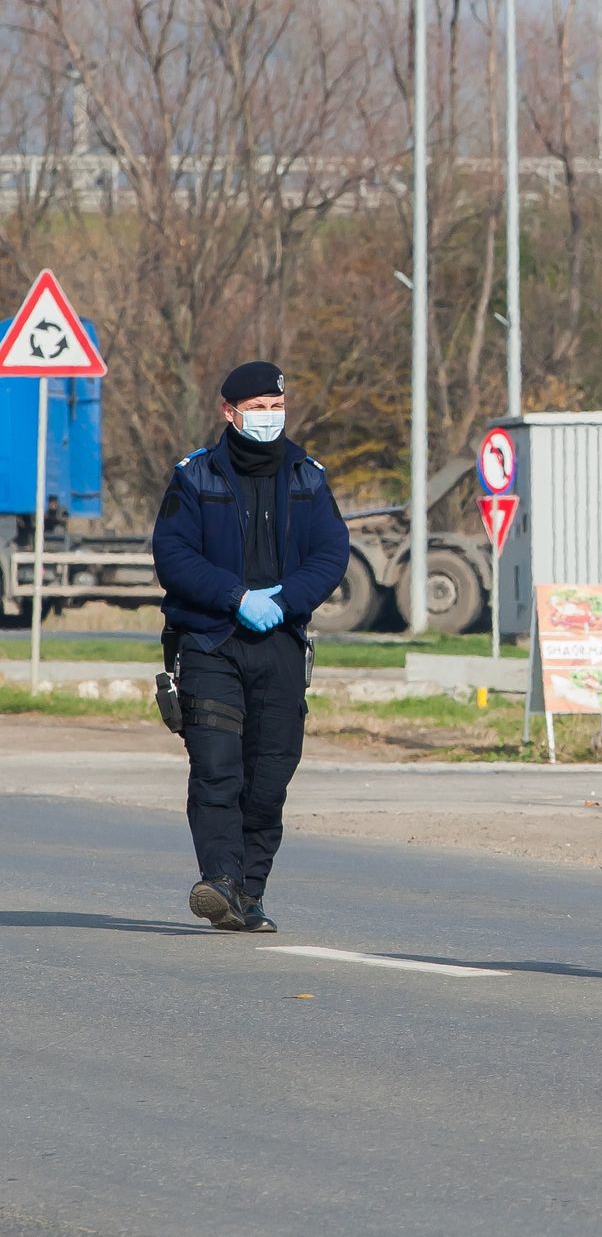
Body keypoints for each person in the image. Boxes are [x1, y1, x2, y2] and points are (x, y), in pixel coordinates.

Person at [151, 362, 350, 932]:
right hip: (211, 640)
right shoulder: (195, 476)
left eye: (276, 406)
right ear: (229, 412)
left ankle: (247, 893)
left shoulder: (308, 476)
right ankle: (219, 879)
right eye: (258, 408)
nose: (269, 416)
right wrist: (234, 596)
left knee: (268, 778)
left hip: (281, 642)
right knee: (217, 768)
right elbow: (173, 556)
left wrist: (285, 601)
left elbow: (331, 554)